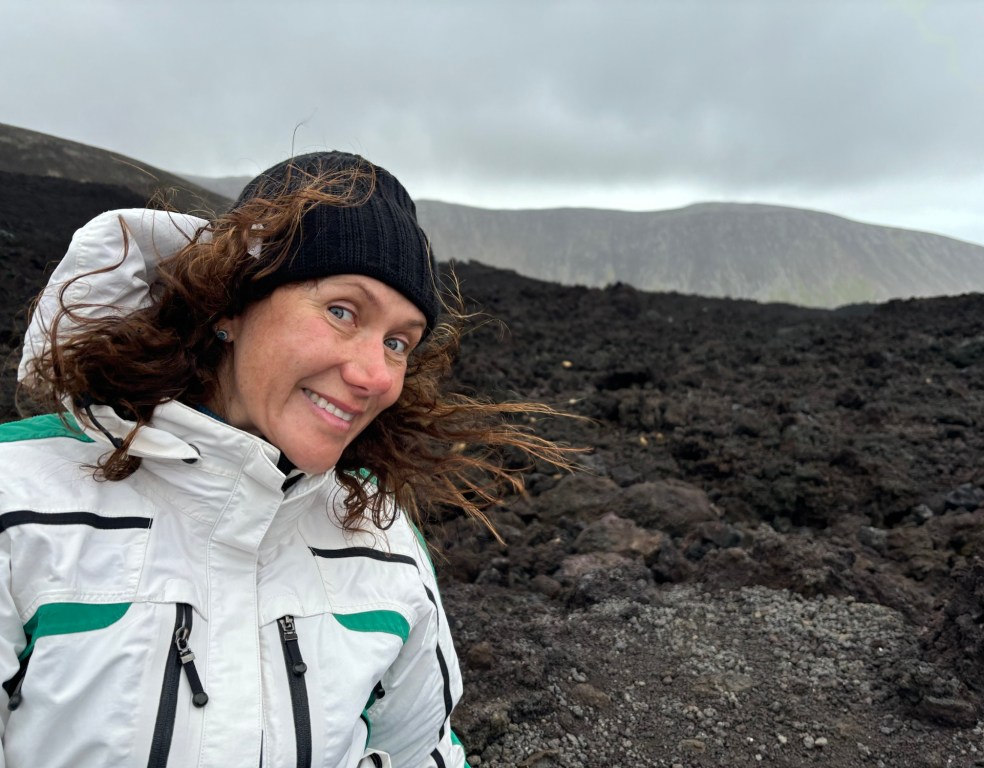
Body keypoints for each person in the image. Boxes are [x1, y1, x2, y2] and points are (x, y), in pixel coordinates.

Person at [0, 151, 571, 767]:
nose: (376, 376)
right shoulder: (20, 501)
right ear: (231, 306)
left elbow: (421, 752)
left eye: (397, 342)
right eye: (342, 311)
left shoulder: (383, 541)